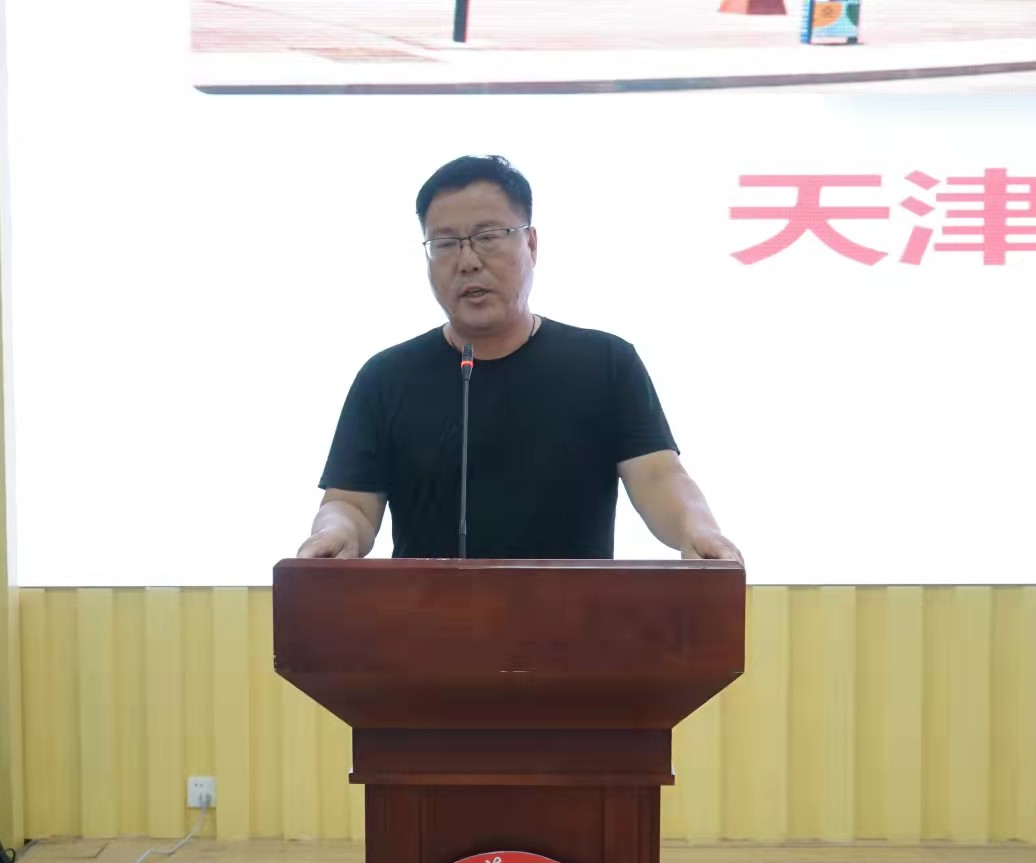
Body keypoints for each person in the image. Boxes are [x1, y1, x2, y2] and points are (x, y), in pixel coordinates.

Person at [297, 155, 740, 563]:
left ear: (531, 244)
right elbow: (351, 503)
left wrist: (698, 530)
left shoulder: (606, 363)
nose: (467, 261)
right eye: (445, 244)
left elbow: (659, 476)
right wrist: (333, 532)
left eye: (488, 237)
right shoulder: (386, 377)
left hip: (576, 617)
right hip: (426, 618)